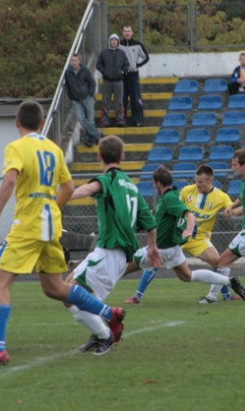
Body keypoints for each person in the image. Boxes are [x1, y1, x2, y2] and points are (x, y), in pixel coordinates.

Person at [0, 101, 125, 366]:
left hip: (28, 225)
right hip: (50, 225)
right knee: (55, 288)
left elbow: (10, 179)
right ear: (42, 124)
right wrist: (50, 208)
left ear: (17, 122)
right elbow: (68, 186)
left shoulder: (16, 147)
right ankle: (108, 313)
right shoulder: (53, 149)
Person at [63, 135, 162, 353]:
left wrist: (57, 199)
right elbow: (150, 223)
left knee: (73, 297)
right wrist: (152, 247)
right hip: (112, 253)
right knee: (68, 290)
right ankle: (99, 334)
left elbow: (87, 190)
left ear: (99, 156)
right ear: (122, 157)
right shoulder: (133, 187)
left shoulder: (108, 180)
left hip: (109, 252)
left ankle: (105, 335)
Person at [124, 165, 245, 304]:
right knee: (172, 269)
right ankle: (138, 295)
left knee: (218, 262)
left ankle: (222, 294)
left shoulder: (221, 196)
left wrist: (241, 209)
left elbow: (231, 210)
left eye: (200, 182)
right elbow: (173, 205)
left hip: (199, 238)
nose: (197, 184)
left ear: (210, 181)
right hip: (178, 238)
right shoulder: (186, 191)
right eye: (196, 181)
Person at [64, 53, 101, 147]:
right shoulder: (68, 72)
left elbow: (92, 82)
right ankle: (97, 134)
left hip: (86, 97)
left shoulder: (85, 70)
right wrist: (71, 95)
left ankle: (90, 140)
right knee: (80, 118)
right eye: (73, 60)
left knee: (90, 119)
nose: (74, 62)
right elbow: (67, 85)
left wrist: (90, 93)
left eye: (76, 60)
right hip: (76, 100)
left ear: (79, 61)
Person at [96, 33, 129, 127]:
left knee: (119, 102)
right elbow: (98, 65)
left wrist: (122, 71)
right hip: (107, 81)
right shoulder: (104, 52)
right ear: (109, 41)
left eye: (115, 40)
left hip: (119, 81)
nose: (113, 42)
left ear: (118, 42)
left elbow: (126, 64)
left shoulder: (122, 53)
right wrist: (104, 71)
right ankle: (105, 121)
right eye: (112, 40)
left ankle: (120, 121)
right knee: (105, 102)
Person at [119, 25, 149, 127]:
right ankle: (122, 120)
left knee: (135, 98)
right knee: (122, 98)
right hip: (122, 75)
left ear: (132, 33)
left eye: (129, 31)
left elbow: (146, 57)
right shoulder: (119, 45)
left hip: (133, 74)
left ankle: (138, 120)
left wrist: (138, 64)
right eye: (125, 31)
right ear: (122, 33)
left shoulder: (137, 44)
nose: (127, 33)